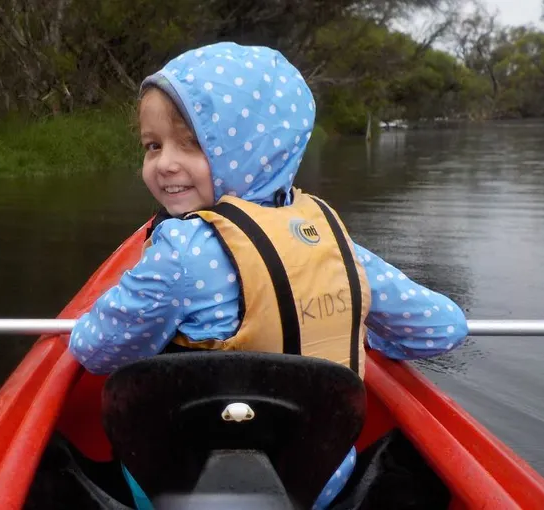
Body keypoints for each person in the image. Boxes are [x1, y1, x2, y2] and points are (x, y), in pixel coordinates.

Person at [67, 41, 468, 509]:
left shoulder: (177, 253)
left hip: (177, 482)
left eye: (192, 143)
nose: (164, 164)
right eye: (153, 146)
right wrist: (358, 327)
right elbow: (444, 329)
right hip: (319, 484)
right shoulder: (336, 246)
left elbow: (97, 350)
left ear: (249, 148)